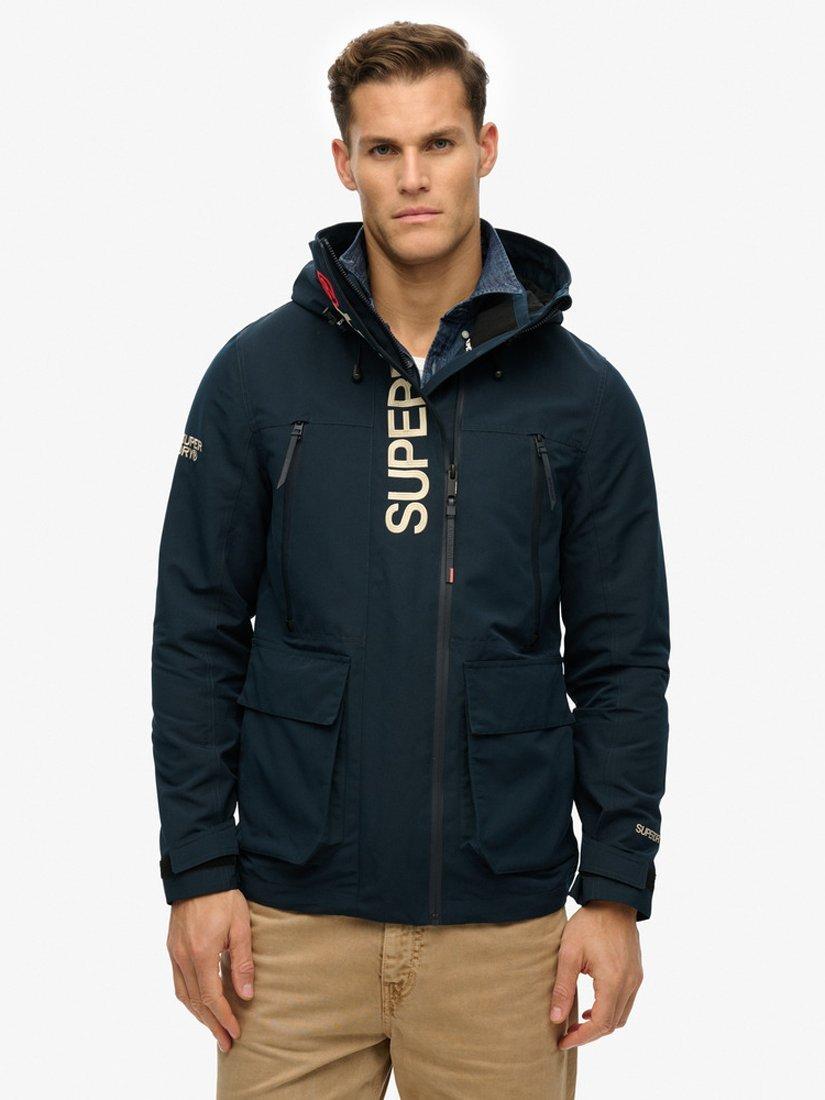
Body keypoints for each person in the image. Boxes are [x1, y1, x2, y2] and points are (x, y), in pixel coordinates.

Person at [151, 20, 670, 1099]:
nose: (414, 177)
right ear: (345, 163)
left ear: (486, 146)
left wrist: (614, 886)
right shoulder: (254, 379)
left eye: (438, 143)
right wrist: (198, 870)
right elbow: (195, 635)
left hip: (505, 939)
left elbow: (621, 656)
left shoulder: (584, 399)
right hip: (286, 931)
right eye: (383, 149)